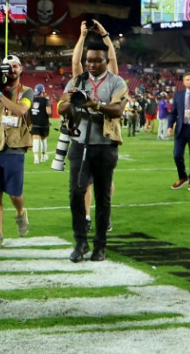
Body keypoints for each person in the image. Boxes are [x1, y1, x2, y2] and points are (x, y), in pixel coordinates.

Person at [57, 41, 127, 263]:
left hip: (105, 146)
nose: (93, 64)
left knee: (102, 197)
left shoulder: (117, 82)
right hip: (80, 145)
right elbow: (60, 106)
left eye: (98, 60)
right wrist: (73, 103)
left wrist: (94, 105)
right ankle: (80, 242)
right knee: (76, 194)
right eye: (89, 60)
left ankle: (100, 245)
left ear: (107, 61)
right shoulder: (77, 81)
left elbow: (117, 110)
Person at [0, 54, 33, 249]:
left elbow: (20, 111)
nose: (11, 70)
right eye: (7, 67)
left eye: (15, 66)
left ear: (21, 69)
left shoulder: (27, 92)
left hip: (15, 145)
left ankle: (20, 212)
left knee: (14, 193)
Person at [73, 20, 117, 233]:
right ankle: (89, 217)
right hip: (85, 136)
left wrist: (104, 34)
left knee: (106, 181)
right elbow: (75, 63)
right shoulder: (82, 80)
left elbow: (113, 59)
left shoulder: (111, 81)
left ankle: (104, 215)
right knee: (86, 183)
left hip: (106, 135)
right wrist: (82, 37)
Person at [29, 83, 51, 165]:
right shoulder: (45, 100)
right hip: (43, 123)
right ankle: (43, 156)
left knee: (35, 140)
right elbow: (48, 112)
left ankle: (36, 158)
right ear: (42, 91)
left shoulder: (31, 100)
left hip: (34, 123)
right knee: (44, 140)